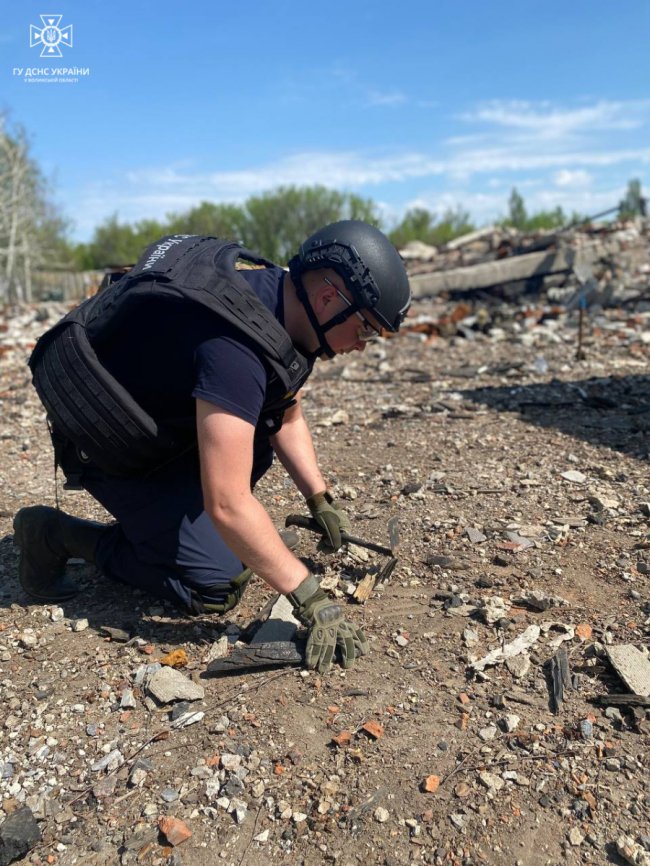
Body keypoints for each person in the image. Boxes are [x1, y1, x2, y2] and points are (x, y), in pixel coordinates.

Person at [13, 221, 411, 673]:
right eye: (367, 329)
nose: (363, 344)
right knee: (215, 584)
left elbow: (286, 411)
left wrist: (319, 498)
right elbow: (226, 502)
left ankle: (178, 528)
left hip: (165, 422)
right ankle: (54, 534)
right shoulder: (235, 349)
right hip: (112, 444)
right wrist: (309, 597)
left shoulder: (280, 305)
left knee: (253, 449)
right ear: (327, 300)